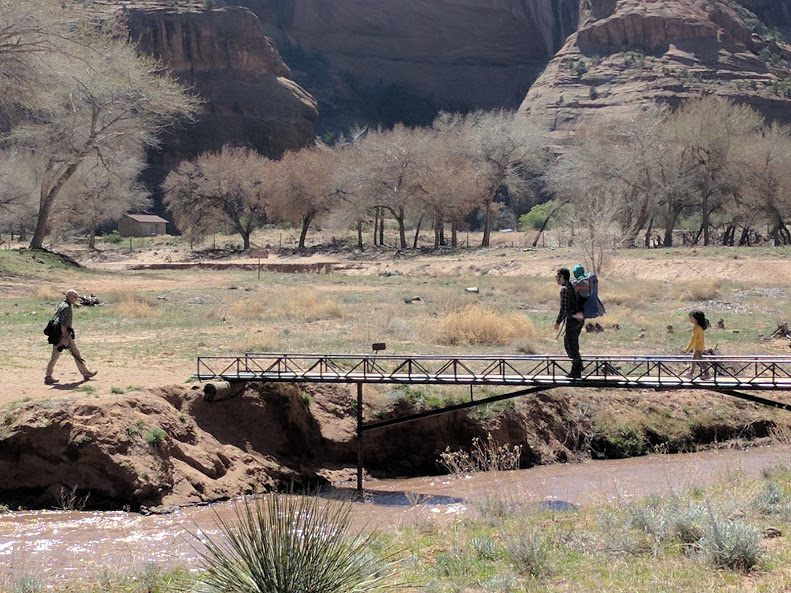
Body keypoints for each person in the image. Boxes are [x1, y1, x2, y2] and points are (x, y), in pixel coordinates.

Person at [45, 289, 97, 385]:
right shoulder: (67, 308)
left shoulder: (63, 304)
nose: (76, 299)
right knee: (72, 354)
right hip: (64, 334)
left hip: (58, 334)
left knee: (57, 356)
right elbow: (63, 325)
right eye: (74, 297)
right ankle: (86, 373)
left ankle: (48, 376)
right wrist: (65, 338)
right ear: (69, 297)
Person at [554, 268, 583, 378]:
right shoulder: (572, 286)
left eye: (557, 276)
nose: (556, 279)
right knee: (573, 343)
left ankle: (576, 370)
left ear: (562, 277)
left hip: (573, 320)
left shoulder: (565, 290)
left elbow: (564, 309)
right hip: (579, 319)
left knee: (570, 344)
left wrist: (558, 322)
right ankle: (578, 367)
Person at [684, 310, 710, 380]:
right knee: (694, 360)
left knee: (700, 361)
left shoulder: (696, 328)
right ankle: (691, 373)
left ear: (696, 319)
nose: (690, 319)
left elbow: (694, 339)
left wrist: (687, 348)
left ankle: (707, 374)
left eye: (691, 318)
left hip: (698, 348)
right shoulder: (698, 327)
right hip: (699, 347)